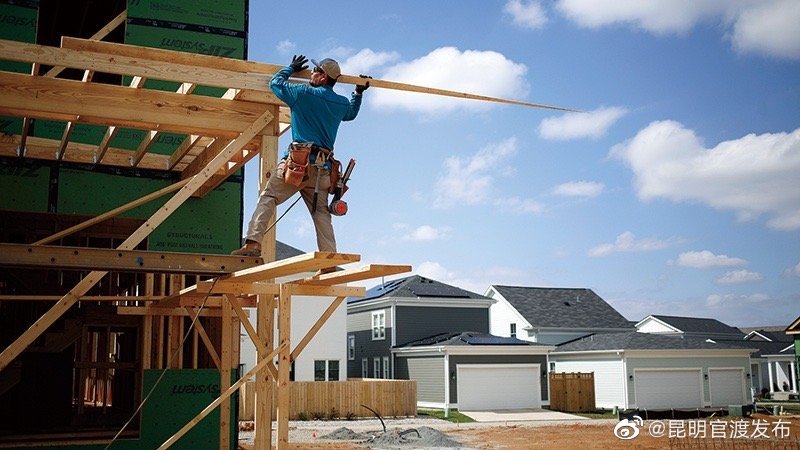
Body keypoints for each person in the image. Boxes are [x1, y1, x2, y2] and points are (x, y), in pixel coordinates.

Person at [232, 55, 370, 269]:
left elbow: (275, 84)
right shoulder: (341, 103)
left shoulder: (303, 93)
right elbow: (351, 113)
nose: (311, 74)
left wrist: (290, 69)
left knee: (269, 197)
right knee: (321, 213)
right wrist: (358, 93)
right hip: (322, 170)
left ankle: (253, 243)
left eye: (315, 71)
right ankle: (328, 262)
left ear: (323, 77)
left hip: (298, 165)